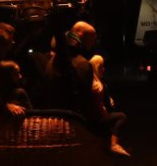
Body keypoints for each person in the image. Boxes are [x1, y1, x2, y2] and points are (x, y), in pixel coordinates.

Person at [51, 21, 130, 157]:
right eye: (92, 38)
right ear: (80, 35)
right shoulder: (80, 64)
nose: (94, 42)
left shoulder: (64, 60)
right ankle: (110, 144)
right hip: (80, 119)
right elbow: (84, 97)